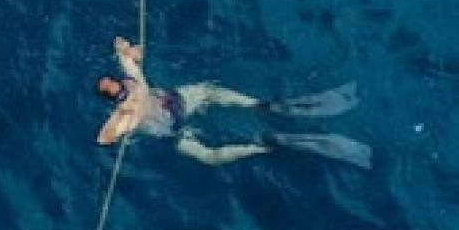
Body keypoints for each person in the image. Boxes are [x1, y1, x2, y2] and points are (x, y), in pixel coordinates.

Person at [96, 37, 371, 168]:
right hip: (175, 128)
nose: (118, 88)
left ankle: (259, 107)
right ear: (113, 96)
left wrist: (129, 50)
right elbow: (104, 138)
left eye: (113, 82)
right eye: (112, 90)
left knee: (209, 92)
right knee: (209, 155)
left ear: (117, 81)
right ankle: (258, 144)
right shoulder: (125, 115)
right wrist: (122, 113)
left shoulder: (132, 81)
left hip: (177, 103)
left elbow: (123, 48)